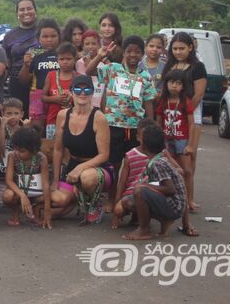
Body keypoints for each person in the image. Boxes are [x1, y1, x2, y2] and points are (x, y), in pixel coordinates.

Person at [87, 34, 157, 206]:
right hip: (112, 126)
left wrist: (150, 126)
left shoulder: (146, 77)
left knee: (133, 165)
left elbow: (148, 103)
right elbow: (89, 71)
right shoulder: (113, 69)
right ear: (124, 52)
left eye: (137, 52)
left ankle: (127, 199)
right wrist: (100, 55)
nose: (133, 55)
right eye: (129, 51)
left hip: (135, 128)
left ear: (142, 55)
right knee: (114, 164)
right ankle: (111, 199)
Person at [51, 75, 113, 224]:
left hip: (97, 169)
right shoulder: (63, 115)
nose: (82, 93)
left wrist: (80, 168)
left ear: (92, 93)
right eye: (78, 89)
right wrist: (54, 180)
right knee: (58, 201)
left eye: (87, 90)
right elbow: (58, 150)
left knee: (87, 177)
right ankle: (77, 198)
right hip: (72, 168)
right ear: (71, 92)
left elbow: (104, 155)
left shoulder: (99, 117)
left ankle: (95, 203)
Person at [161, 31, 206, 212]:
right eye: (175, 48)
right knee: (172, 157)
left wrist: (183, 109)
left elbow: (199, 94)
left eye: (182, 48)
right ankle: (176, 196)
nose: (178, 52)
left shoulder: (197, 67)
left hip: (191, 113)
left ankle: (189, 199)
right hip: (170, 115)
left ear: (190, 48)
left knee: (189, 156)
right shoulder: (169, 65)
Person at [122, 126, 191, 241]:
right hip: (173, 203)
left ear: (144, 146)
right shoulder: (158, 159)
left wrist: (145, 186)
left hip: (175, 206)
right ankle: (163, 220)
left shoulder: (158, 163)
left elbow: (170, 189)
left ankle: (144, 230)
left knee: (139, 190)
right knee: (129, 201)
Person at [156, 69, 196, 210]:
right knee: (168, 170)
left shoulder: (186, 101)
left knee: (187, 170)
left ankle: (189, 200)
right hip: (166, 139)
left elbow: (192, 124)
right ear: (166, 84)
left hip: (181, 139)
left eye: (178, 83)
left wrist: (190, 145)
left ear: (183, 86)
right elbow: (158, 122)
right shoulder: (163, 100)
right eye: (172, 82)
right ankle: (170, 199)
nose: (174, 86)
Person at [3, 126, 52, 228]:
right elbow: (9, 180)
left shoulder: (41, 158)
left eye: (22, 151)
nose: (17, 152)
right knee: (7, 196)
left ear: (34, 150)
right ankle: (16, 211)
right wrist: (22, 195)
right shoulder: (12, 156)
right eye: (15, 148)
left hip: (37, 193)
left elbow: (45, 184)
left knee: (54, 198)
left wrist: (47, 209)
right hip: (18, 192)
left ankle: (37, 208)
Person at [19, 18, 61, 134]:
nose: (49, 40)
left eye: (53, 36)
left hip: (59, 96)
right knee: (37, 130)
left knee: (57, 130)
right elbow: (23, 80)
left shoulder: (63, 53)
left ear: (59, 37)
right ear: (38, 38)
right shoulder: (33, 53)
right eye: (45, 37)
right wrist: (26, 65)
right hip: (37, 95)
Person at [111, 120, 152, 229]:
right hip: (131, 194)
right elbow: (122, 182)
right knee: (119, 210)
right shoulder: (130, 156)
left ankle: (142, 221)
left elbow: (178, 169)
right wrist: (116, 213)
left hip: (151, 193)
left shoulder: (159, 154)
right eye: (143, 136)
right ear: (138, 137)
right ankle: (136, 215)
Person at [2, 0, 39, 116]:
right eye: (22, 9)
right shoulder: (9, 36)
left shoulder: (44, 31)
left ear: (35, 11)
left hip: (41, 81)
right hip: (17, 84)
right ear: (17, 13)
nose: (26, 12)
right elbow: (8, 62)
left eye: (29, 8)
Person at [0, 98, 30, 210]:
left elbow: (27, 150)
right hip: (0, 173)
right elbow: (0, 149)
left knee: (12, 198)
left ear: (22, 114)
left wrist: (27, 129)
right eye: (9, 113)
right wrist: (3, 127)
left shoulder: (24, 129)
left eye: (16, 113)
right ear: (3, 113)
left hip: (17, 173)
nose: (12, 116)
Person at [42, 42, 77, 141]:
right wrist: (55, 98)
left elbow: (83, 97)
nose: (65, 62)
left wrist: (72, 98)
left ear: (75, 59)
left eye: (69, 59)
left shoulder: (78, 77)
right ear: (57, 60)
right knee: (52, 149)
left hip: (74, 121)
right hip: (53, 120)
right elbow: (43, 97)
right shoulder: (51, 75)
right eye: (62, 59)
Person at [75, 30, 105, 108]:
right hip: (82, 103)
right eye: (87, 44)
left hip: (97, 104)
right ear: (83, 46)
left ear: (99, 46)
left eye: (94, 43)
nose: (90, 46)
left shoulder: (103, 65)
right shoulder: (78, 63)